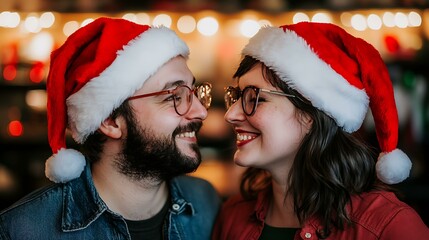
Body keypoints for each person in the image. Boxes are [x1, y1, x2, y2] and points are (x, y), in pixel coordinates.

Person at [0, 17, 221, 239]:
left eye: (194, 92)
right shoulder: (23, 229)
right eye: (174, 97)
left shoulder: (205, 201)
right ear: (110, 121)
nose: (201, 112)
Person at [213, 22, 429, 239]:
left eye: (255, 98)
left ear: (311, 115)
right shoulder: (232, 216)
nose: (230, 114)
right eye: (237, 96)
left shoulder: (388, 227)